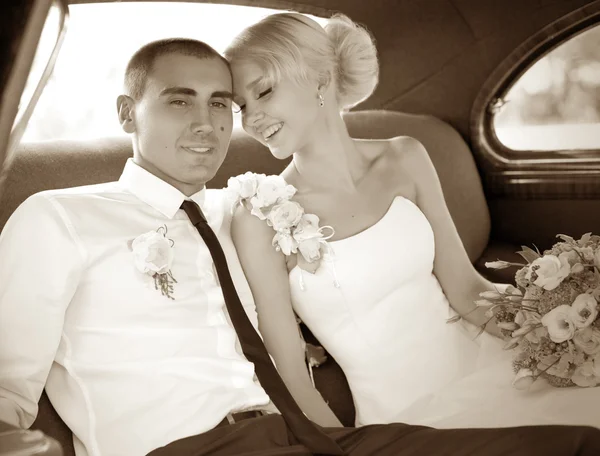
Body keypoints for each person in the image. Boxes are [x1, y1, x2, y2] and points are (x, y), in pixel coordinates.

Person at [1, 37, 599, 456]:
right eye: (181, 100)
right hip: (188, 447)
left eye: (221, 104)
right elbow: (5, 391)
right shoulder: (59, 218)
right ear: (128, 112)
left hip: (321, 436)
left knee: (572, 441)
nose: (208, 123)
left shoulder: (244, 209)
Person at [224, 12, 600, 431]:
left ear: (320, 78)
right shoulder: (258, 217)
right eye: (241, 106)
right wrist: (343, 446)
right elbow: (289, 373)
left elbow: (467, 289)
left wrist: (557, 334)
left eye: (264, 92)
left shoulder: (405, 156)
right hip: (408, 421)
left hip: (495, 368)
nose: (252, 118)